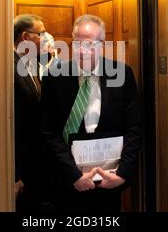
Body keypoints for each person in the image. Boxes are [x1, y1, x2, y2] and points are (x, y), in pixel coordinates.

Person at [41, 14, 142, 212]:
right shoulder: (55, 76)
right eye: (77, 43)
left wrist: (122, 174)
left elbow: (134, 128)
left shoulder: (121, 73)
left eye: (89, 44)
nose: (82, 50)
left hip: (109, 179)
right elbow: (48, 131)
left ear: (101, 44)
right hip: (68, 180)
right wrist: (73, 176)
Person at [13, 13, 52, 212]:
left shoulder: (33, 64)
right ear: (26, 37)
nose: (45, 38)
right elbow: (9, 124)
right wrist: (14, 174)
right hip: (20, 168)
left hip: (37, 163)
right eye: (41, 34)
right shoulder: (7, 67)